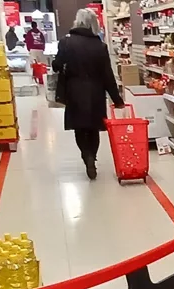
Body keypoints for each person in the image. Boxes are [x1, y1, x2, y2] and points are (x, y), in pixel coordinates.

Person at [52, 9, 123, 180]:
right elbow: (108, 75)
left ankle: (87, 156)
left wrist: (61, 65)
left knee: (79, 128)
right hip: (96, 91)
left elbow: (56, 65)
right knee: (93, 128)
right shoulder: (100, 46)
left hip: (74, 90)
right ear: (94, 24)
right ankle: (92, 156)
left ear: (77, 22)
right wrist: (117, 99)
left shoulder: (65, 43)